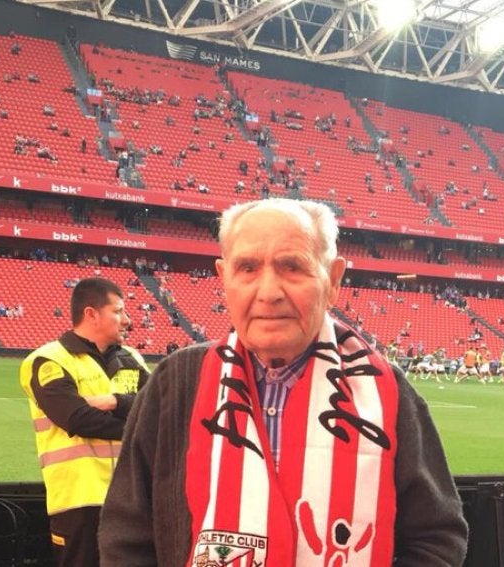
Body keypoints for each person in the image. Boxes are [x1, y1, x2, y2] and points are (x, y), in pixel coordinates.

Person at [99, 199, 467, 565]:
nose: (269, 292)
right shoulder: (175, 383)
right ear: (224, 277)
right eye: (247, 268)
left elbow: (436, 538)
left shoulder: (387, 391)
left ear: (333, 280)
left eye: (292, 267)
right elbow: (126, 538)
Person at [19, 278, 149, 567]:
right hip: (79, 498)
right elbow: (77, 419)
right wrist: (141, 427)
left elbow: (160, 408)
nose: (127, 320)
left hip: (131, 495)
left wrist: (117, 401)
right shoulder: (48, 360)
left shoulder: (133, 359)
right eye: (118, 311)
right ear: (91, 314)